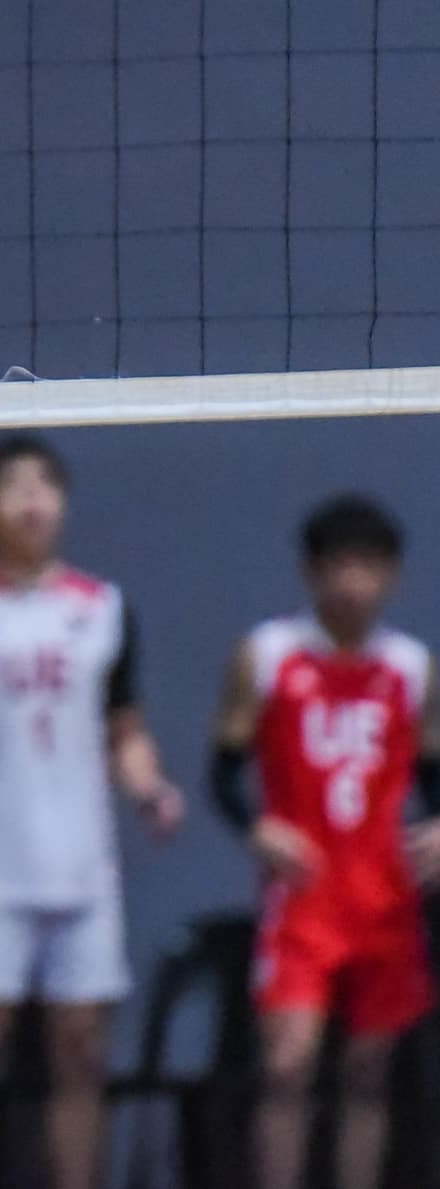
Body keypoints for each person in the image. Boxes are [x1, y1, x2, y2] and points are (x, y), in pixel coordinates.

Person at [0, 435, 185, 1189]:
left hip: (83, 865)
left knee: (82, 1049)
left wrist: (151, 787)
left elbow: (124, 730)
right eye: (12, 486)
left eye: (45, 484)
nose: (32, 499)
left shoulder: (104, 609)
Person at [209, 494, 440, 1189]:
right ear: (311, 571)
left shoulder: (410, 667)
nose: (352, 583)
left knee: (368, 1072)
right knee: (288, 1061)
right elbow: (223, 770)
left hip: (383, 892)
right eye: (338, 566)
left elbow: (433, 775)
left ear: (391, 575)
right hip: (304, 889)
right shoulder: (270, 654)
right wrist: (256, 827)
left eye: (368, 567)